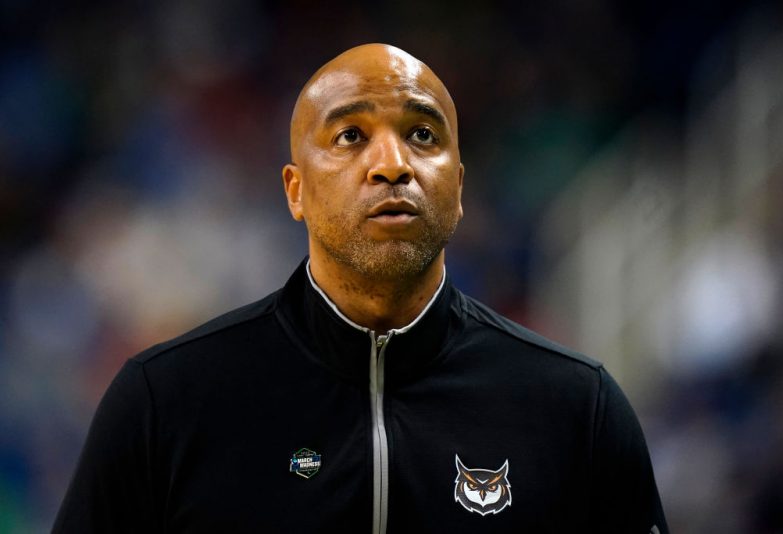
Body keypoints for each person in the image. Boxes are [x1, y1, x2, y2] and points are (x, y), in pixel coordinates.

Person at [53, 43, 669, 533]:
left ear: (457, 189)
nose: (392, 164)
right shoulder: (165, 403)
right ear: (295, 190)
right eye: (350, 135)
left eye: (423, 135)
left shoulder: (574, 410)